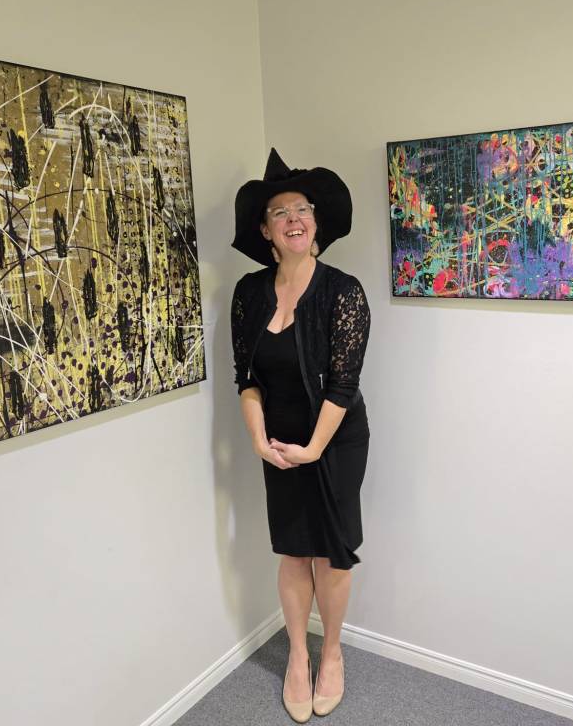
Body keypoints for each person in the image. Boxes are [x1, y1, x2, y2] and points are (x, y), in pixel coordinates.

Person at [230, 149, 371, 722]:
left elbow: (342, 385)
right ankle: (297, 656)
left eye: (302, 209)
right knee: (292, 551)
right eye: (280, 211)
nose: (293, 218)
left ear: (316, 222)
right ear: (265, 230)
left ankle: (331, 653)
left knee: (331, 555)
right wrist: (258, 441)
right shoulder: (248, 292)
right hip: (279, 444)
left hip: (333, 440)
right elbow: (246, 379)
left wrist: (313, 449)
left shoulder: (343, 291)